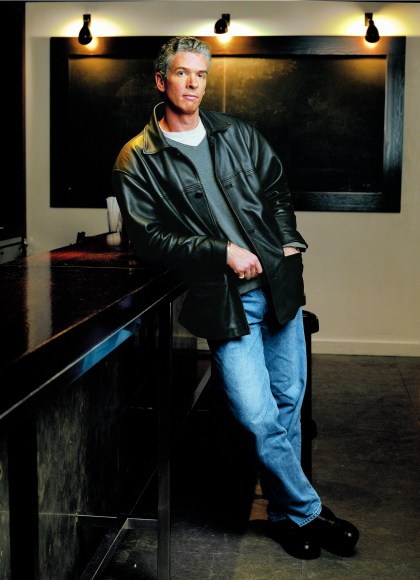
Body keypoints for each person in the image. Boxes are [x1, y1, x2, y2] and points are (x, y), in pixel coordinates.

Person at [112, 36, 359, 560]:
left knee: (288, 402)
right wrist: (219, 250)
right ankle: (310, 510)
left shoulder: (237, 133)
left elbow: (276, 188)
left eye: (201, 74)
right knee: (254, 412)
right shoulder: (138, 158)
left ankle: (287, 517)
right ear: (161, 80)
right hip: (225, 300)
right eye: (182, 73)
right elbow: (149, 239)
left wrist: (287, 239)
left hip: (278, 287)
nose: (193, 84)